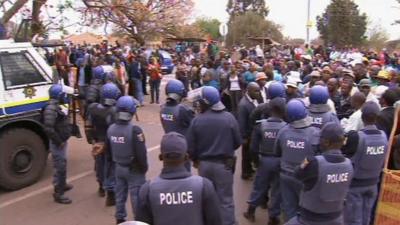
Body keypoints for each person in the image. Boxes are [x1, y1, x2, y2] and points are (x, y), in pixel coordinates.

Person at [135, 132, 222, 225]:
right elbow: (215, 221)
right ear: (186, 157)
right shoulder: (203, 186)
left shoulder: (147, 190)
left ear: (160, 157)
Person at [186, 86, 242, 225]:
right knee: (226, 200)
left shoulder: (197, 120)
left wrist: (195, 159)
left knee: (207, 198)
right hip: (224, 165)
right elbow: (237, 142)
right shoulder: (229, 118)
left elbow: (190, 147)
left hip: (204, 165)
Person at [285, 122, 354, 225]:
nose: (319, 142)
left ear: (326, 142)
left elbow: (297, 174)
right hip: (336, 218)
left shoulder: (314, 163)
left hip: (310, 219)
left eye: (320, 139)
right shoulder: (349, 164)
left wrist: (307, 160)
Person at [342, 102, 388, 225]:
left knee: (353, 220)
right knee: (366, 219)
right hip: (373, 184)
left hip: (356, 185)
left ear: (362, 117)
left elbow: (345, 154)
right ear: (377, 117)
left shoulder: (357, 137)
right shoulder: (384, 136)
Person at [274, 99, 320, 221]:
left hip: (286, 176)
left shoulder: (283, 131)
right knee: (305, 210)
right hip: (305, 179)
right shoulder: (314, 133)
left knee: (288, 208)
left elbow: (277, 152)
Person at [244, 97, 287, 225]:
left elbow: (253, 148)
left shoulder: (261, 125)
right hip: (280, 161)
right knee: (277, 190)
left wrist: (257, 163)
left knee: (259, 187)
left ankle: (250, 212)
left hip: (265, 160)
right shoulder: (286, 127)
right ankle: (273, 217)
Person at [106, 96, 148, 224]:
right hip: (134, 169)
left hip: (118, 167)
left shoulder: (111, 129)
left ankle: (119, 218)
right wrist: (144, 168)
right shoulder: (135, 130)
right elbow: (141, 153)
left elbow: (108, 152)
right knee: (136, 198)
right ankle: (139, 221)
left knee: (120, 195)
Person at [85, 83, 120, 205]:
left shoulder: (93, 107)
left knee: (99, 165)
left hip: (97, 141)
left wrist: (91, 140)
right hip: (109, 142)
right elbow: (116, 129)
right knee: (111, 167)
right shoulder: (114, 111)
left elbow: (88, 125)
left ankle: (101, 187)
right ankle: (111, 192)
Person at [42, 84, 73, 204]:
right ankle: (58, 193)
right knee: (59, 167)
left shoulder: (55, 106)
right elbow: (48, 129)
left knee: (63, 164)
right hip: (57, 143)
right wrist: (59, 142)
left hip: (61, 141)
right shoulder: (51, 109)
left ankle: (63, 184)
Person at [238, 82, 261, 179]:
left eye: (259, 91)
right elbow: (242, 122)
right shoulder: (243, 105)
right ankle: (245, 174)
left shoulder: (254, 100)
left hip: (254, 133)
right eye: (256, 91)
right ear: (249, 91)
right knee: (246, 155)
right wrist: (244, 137)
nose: (258, 93)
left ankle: (250, 169)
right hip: (248, 134)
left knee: (250, 154)